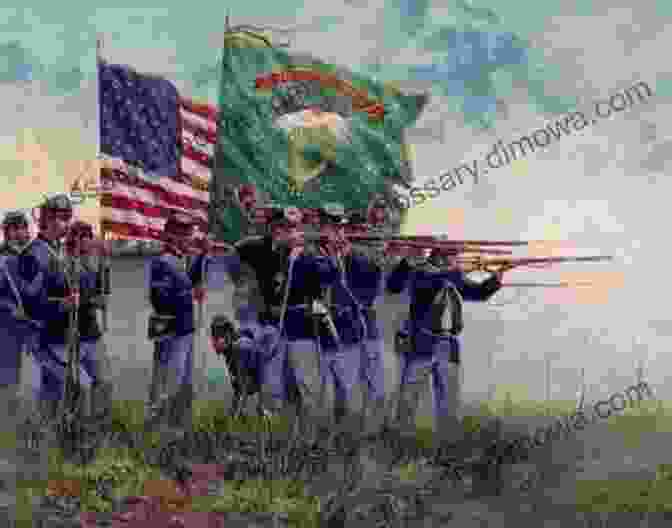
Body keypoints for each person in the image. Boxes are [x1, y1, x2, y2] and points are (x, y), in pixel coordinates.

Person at [386, 248, 509, 440]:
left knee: (449, 401)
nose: (456, 259)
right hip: (422, 344)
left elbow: (477, 293)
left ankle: (448, 442)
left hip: (448, 346)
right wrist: (466, 269)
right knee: (409, 397)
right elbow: (432, 283)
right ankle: (400, 439)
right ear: (439, 257)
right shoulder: (421, 272)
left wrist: (497, 276)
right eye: (452, 256)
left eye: (455, 256)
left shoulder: (452, 276)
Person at [232, 207, 341, 418]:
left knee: (305, 384)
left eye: (293, 228)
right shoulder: (262, 248)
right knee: (272, 383)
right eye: (282, 228)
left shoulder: (308, 255)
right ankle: (270, 429)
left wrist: (327, 254)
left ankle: (307, 435)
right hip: (272, 325)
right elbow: (236, 253)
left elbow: (328, 276)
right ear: (273, 229)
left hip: (301, 328)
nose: (287, 232)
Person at [16, 194, 82, 422]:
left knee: (56, 393)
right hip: (44, 337)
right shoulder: (32, 254)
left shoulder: (61, 251)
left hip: (63, 335)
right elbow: (30, 305)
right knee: (65, 389)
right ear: (47, 220)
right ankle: (43, 441)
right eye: (63, 218)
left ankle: (52, 440)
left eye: (68, 217)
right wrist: (63, 304)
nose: (67, 223)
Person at [146, 212, 206, 429]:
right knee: (168, 382)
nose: (190, 237)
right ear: (172, 236)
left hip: (185, 328)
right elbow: (159, 299)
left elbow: (190, 278)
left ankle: (178, 427)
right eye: (186, 233)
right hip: (170, 330)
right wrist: (189, 294)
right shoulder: (162, 262)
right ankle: (159, 428)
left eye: (190, 233)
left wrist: (202, 255)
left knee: (183, 383)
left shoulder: (182, 259)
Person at [63, 221, 113, 421]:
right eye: (83, 237)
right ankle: (73, 425)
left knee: (105, 381)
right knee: (78, 386)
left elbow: (103, 292)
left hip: (92, 332)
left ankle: (98, 423)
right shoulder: (64, 264)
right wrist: (92, 300)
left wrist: (106, 262)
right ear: (73, 240)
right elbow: (69, 299)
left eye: (89, 236)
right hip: (72, 334)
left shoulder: (93, 263)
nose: (88, 241)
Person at [210, 314, 268, 417]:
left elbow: (243, 383)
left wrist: (239, 411)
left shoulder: (239, 348)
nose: (215, 340)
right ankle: (244, 409)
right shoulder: (231, 345)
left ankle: (248, 410)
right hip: (250, 363)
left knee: (242, 383)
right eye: (215, 336)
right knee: (238, 383)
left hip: (251, 365)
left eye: (219, 336)